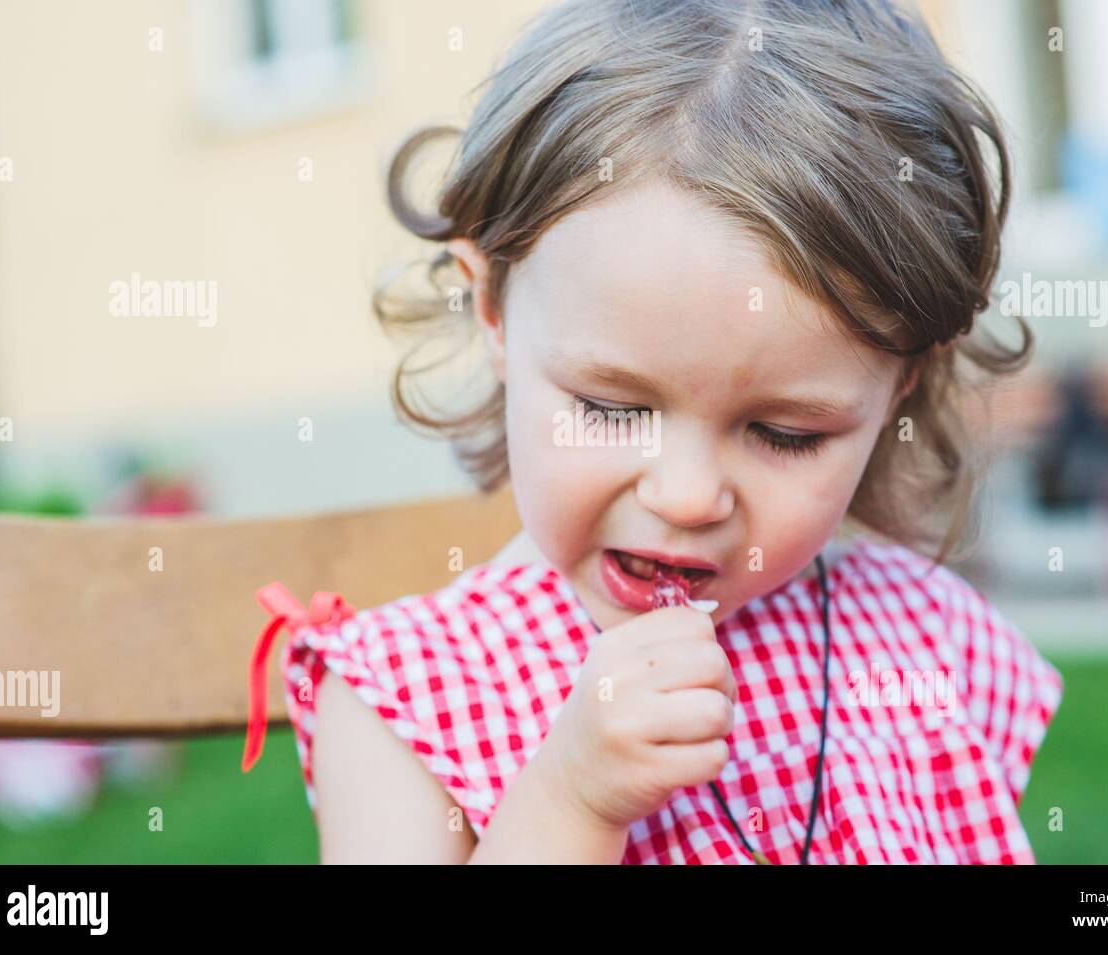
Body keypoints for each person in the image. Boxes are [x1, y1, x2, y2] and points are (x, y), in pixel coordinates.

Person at [243, 0, 1063, 864]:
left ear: (902, 383)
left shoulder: (918, 637)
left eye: (784, 432)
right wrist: (571, 799)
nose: (685, 494)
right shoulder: (407, 698)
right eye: (612, 407)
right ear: (490, 310)